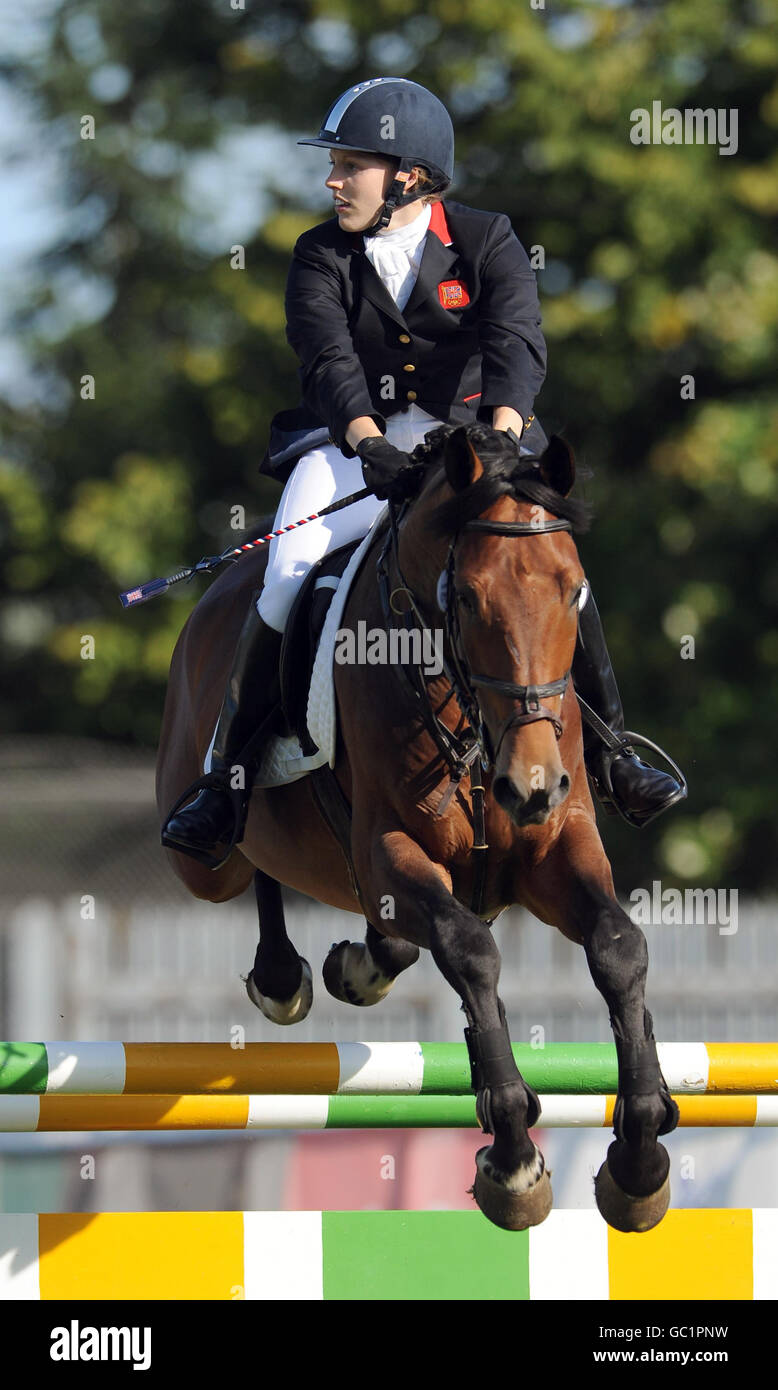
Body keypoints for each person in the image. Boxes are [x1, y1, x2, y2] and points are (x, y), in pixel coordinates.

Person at [162, 77, 685, 868]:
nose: (332, 180)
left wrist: (503, 440)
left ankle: (614, 756)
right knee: (288, 568)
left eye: (350, 165)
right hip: (349, 445)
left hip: (477, 438)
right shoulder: (320, 254)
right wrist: (369, 442)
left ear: (407, 174)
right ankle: (226, 782)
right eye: (334, 165)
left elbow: (517, 344)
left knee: (543, 568)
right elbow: (328, 360)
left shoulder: (486, 239)